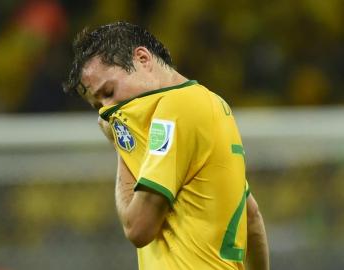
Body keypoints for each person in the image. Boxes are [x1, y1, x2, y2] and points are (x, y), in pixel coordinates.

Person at [64, 21, 269, 270]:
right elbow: (252, 218)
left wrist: (122, 142)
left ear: (142, 59)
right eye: (98, 107)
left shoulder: (174, 110)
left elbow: (138, 228)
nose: (108, 112)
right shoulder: (213, 105)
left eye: (108, 91)